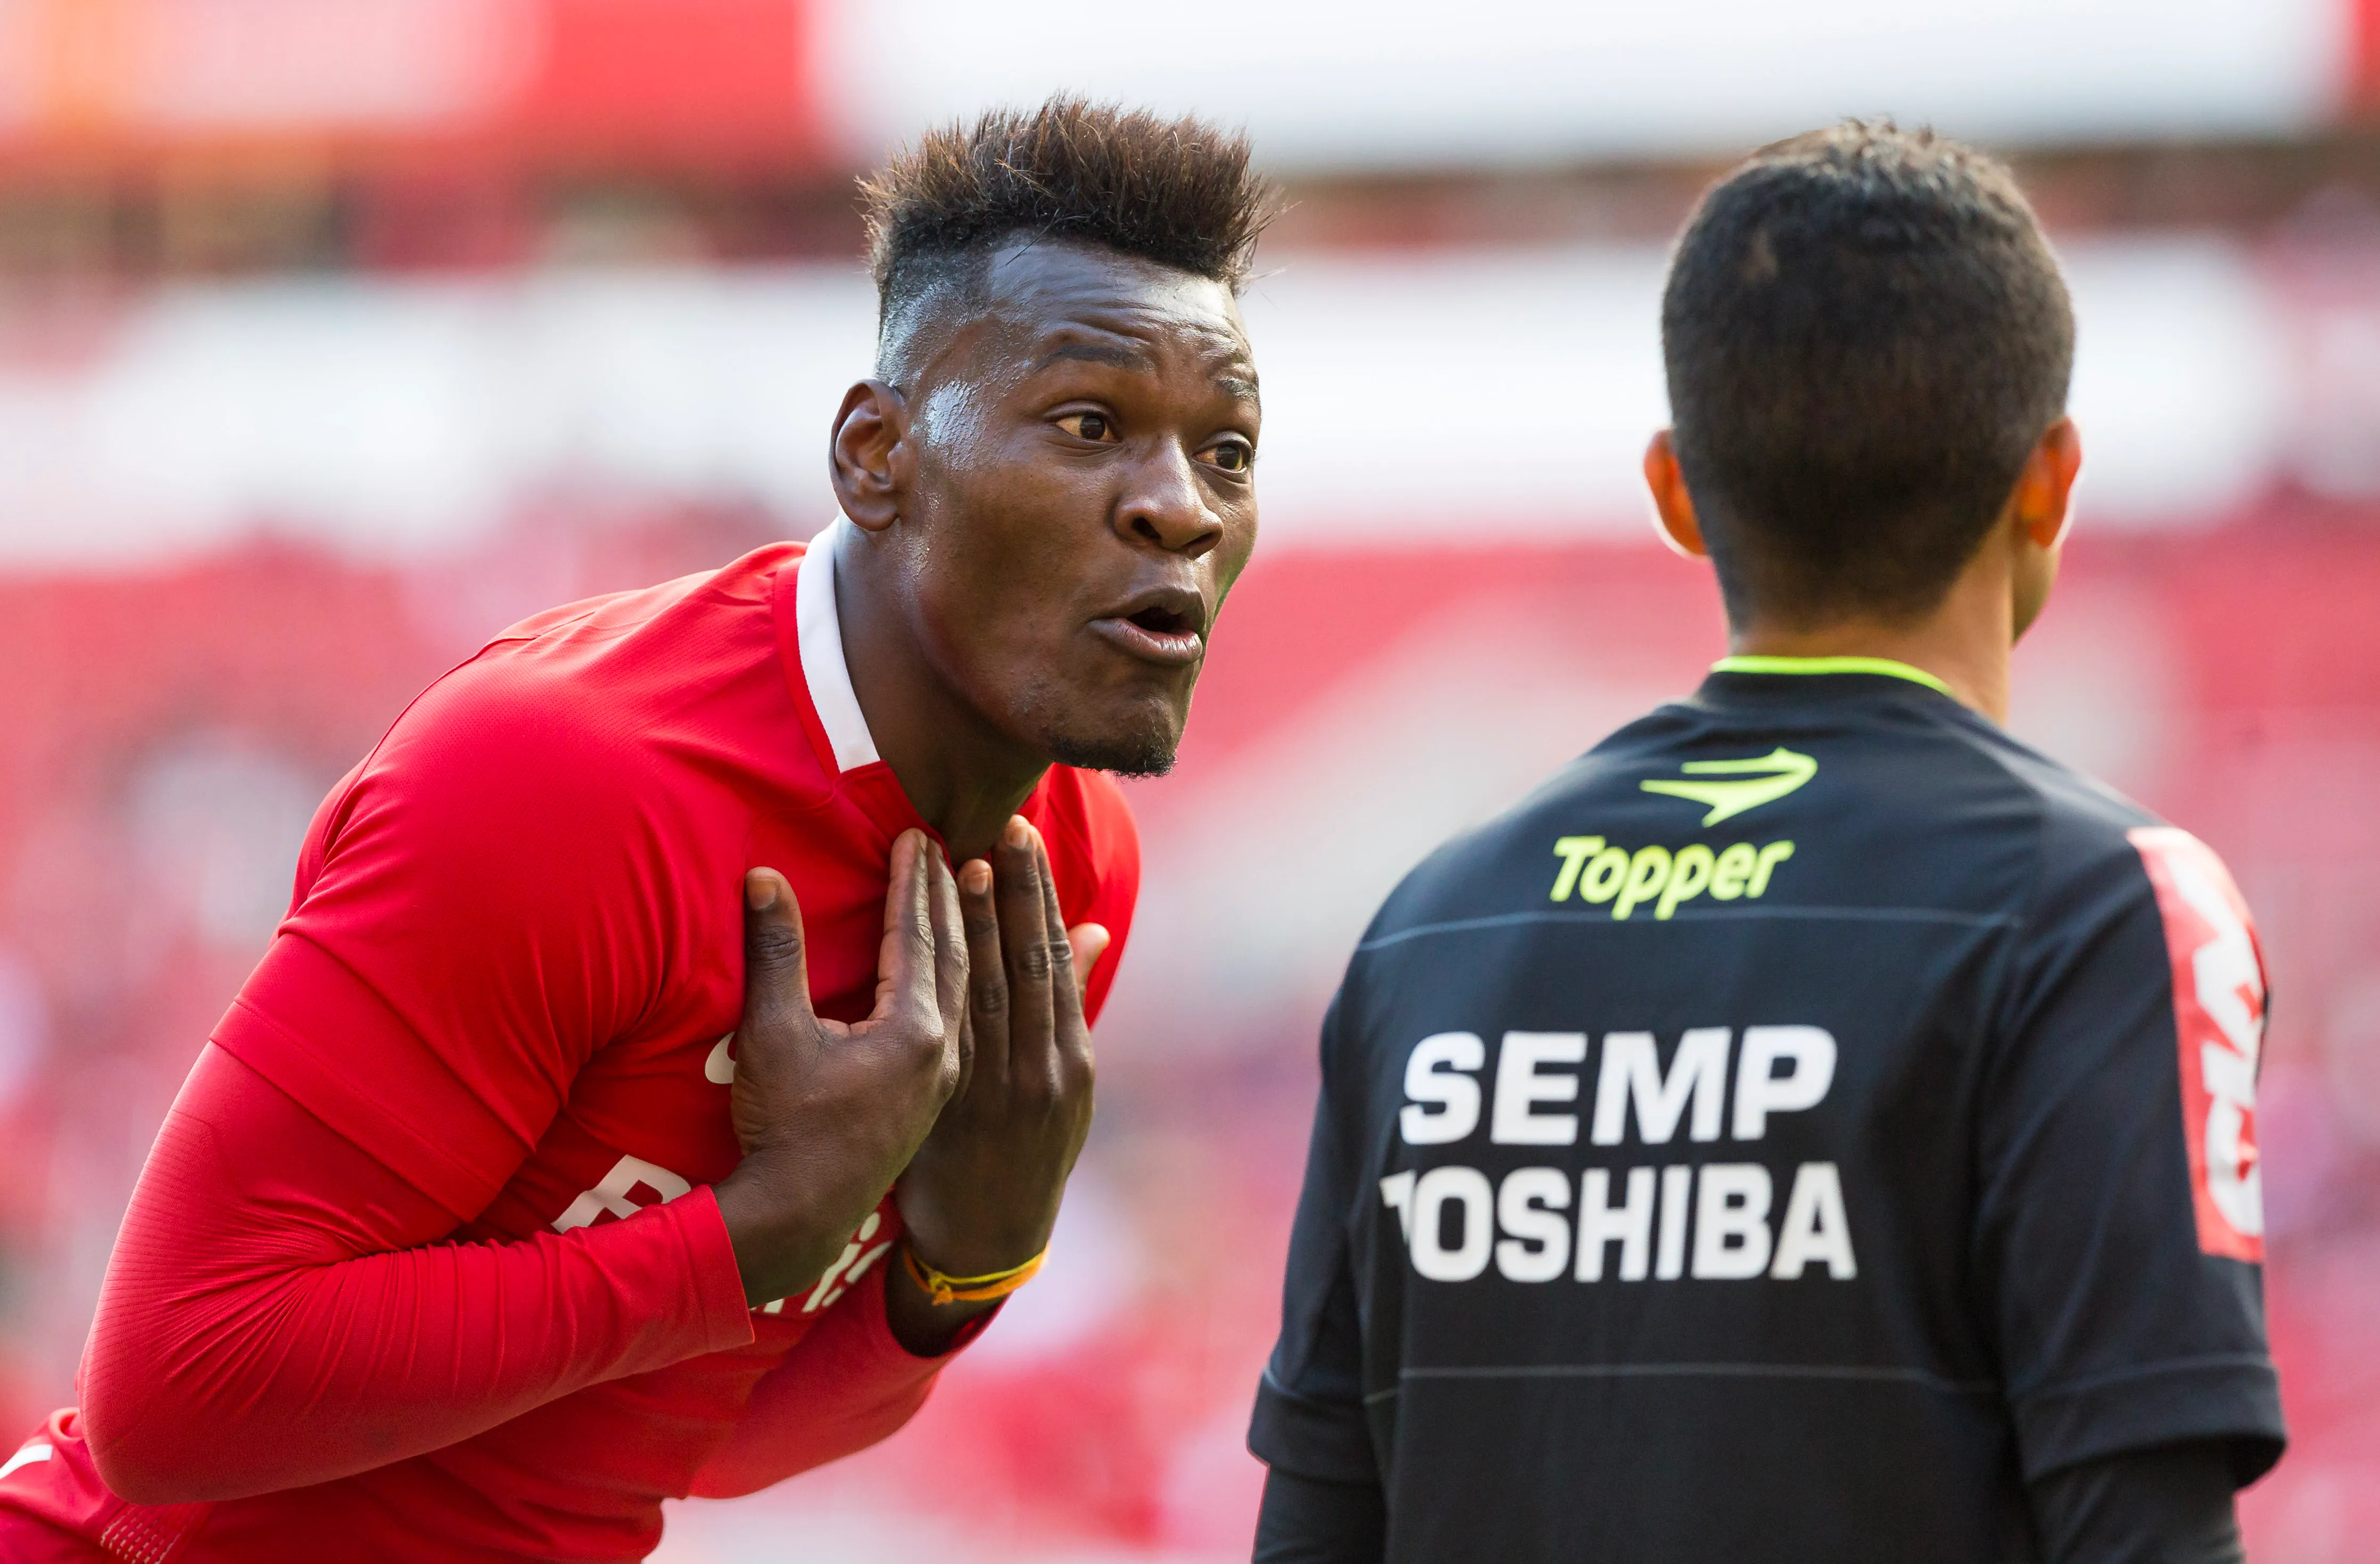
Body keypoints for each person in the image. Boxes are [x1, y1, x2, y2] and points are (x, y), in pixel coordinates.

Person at [0, 97, 1273, 1562]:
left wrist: (964, 1268)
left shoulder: (1063, 872)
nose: (1178, 508)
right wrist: (741, 1236)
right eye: (1090, 425)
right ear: (877, 457)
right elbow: (175, 1390)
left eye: (1227, 452)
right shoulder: (562, 780)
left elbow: (706, 1441)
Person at [1249, 122, 2280, 1563]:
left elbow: (1311, 1532)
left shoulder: (1432, 928)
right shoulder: (2103, 908)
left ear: (1676, 491)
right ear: (2050, 480)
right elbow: (2148, 1536)